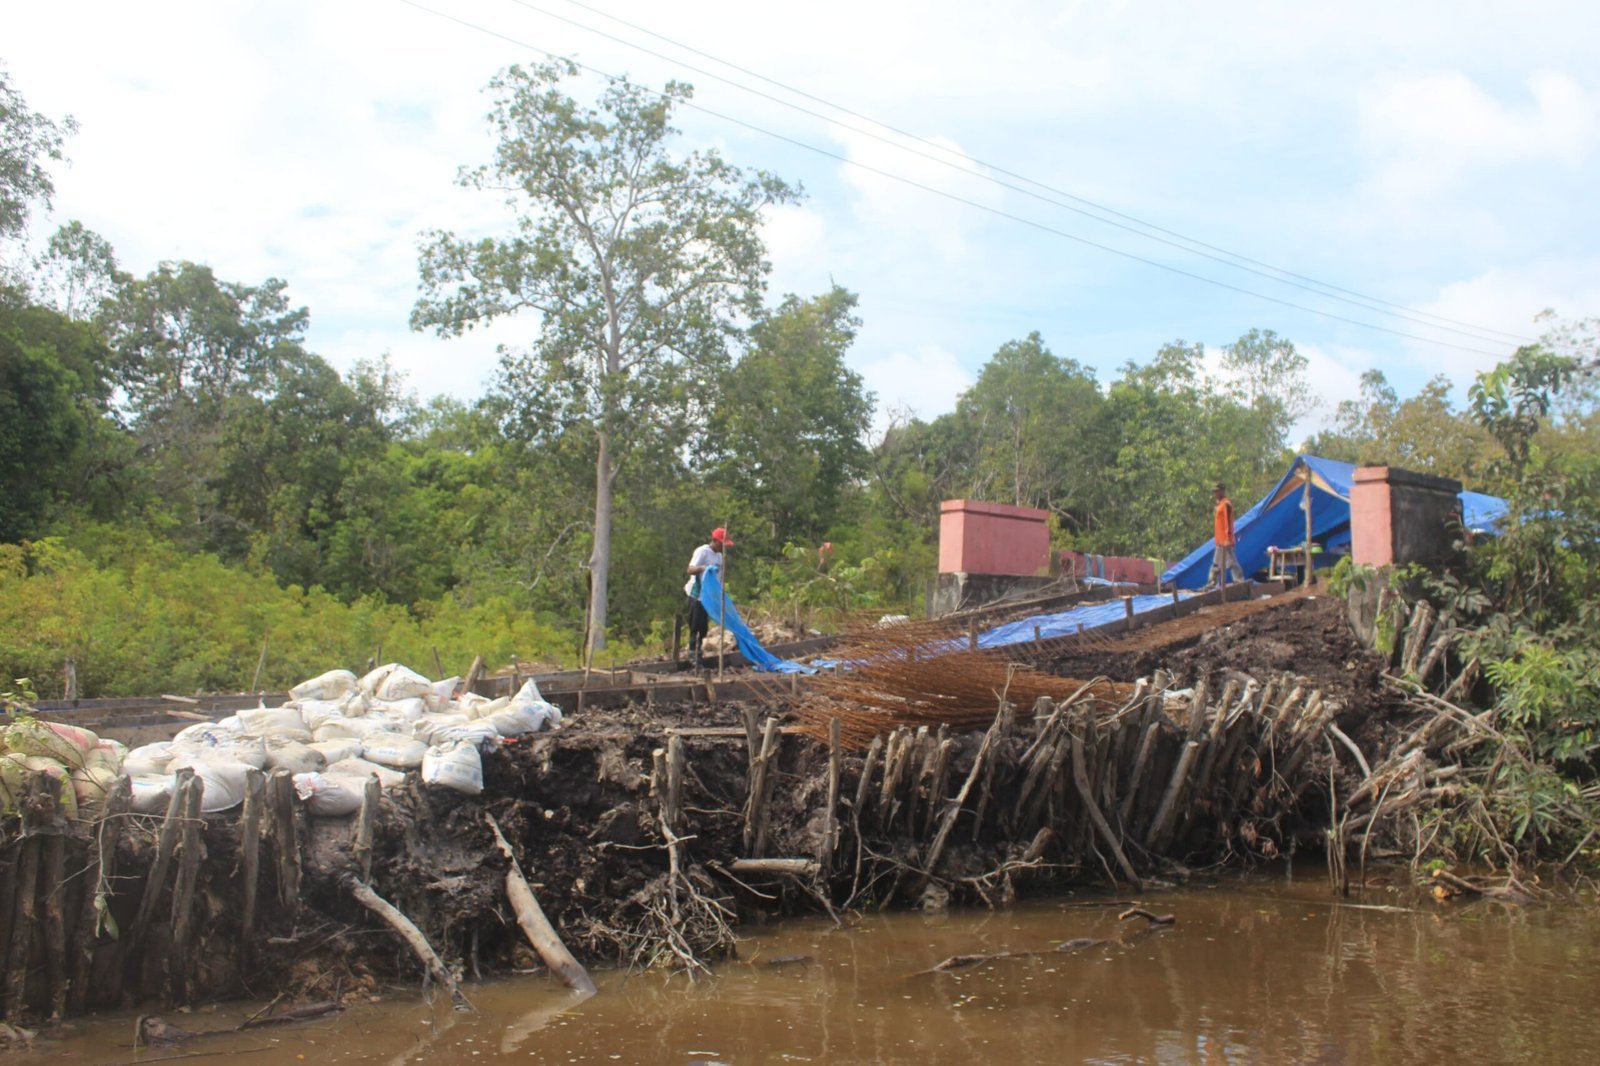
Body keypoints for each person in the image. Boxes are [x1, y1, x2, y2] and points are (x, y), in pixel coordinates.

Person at [684, 527, 733, 668]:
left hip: (708, 597)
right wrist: (703, 568)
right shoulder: (703, 551)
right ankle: (692, 654)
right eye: (723, 544)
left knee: (703, 627)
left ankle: (699, 652)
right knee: (695, 625)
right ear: (716, 541)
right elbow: (690, 569)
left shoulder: (719, 557)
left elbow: (719, 579)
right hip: (697, 594)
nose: (724, 548)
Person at [1207, 482, 1245, 589]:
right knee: (1216, 564)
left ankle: (1239, 581)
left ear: (1222, 491)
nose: (1215, 493)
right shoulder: (1219, 504)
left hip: (1226, 541)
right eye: (1214, 491)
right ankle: (1212, 583)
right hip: (1219, 541)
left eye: (1217, 491)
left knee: (1232, 562)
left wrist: (1228, 538)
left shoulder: (1226, 504)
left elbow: (1228, 522)